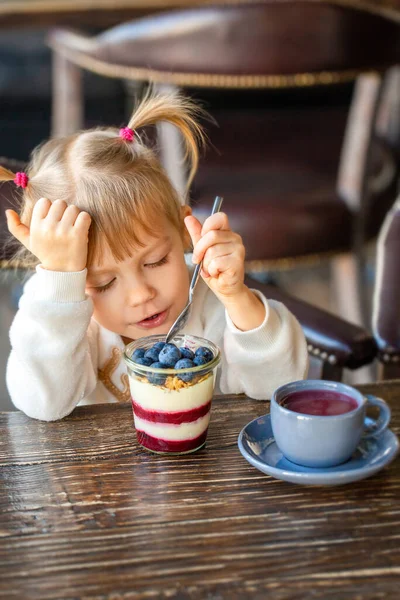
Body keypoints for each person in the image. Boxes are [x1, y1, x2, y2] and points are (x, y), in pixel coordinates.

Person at [2, 91, 308, 422]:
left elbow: (281, 386)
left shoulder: (209, 300)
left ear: (181, 230)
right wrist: (60, 285)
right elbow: (41, 404)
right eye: (104, 283)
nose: (141, 294)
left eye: (156, 261)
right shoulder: (58, 308)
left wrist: (237, 299)